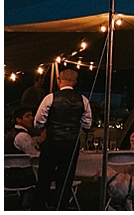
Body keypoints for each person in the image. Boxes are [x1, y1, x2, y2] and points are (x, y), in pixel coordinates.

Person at [33, 68, 92, 210]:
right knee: (66, 178)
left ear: (59, 81)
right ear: (75, 82)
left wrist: (47, 126)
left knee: (45, 177)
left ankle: (39, 208)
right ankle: (61, 207)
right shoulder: (83, 99)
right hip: (71, 143)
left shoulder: (50, 97)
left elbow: (38, 121)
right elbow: (87, 124)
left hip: (52, 142)